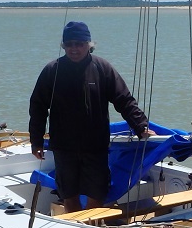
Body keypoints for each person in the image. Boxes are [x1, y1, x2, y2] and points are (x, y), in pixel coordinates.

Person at [29, 21, 153, 213]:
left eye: (79, 43)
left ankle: (93, 226)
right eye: (69, 44)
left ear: (89, 44)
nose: (74, 49)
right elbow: (38, 108)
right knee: (69, 195)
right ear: (63, 46)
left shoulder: (102, 68)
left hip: (96, 146)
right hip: (64, 147)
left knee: (97, 194)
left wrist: (141, 126)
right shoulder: (52, 71)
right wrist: (36, 141)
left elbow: (124, 100)